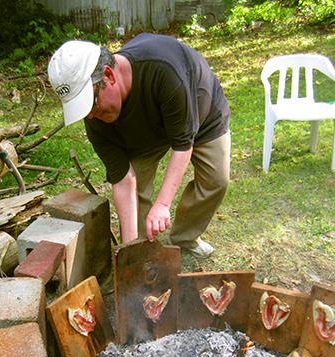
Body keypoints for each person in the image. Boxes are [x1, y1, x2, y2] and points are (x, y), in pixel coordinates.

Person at [48, 33, 230, 258]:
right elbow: (123, 181)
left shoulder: (164, 70)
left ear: (108, 76)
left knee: (216, 180)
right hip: (145, 130)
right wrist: (129, 251)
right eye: (84, 110)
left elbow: (182, 145)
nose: (92, 116)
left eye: (93, 104)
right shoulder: (95, 120)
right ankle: (141, 252)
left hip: (201, 111)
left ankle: (185, 237)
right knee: (138, 190)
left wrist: (163, 204)